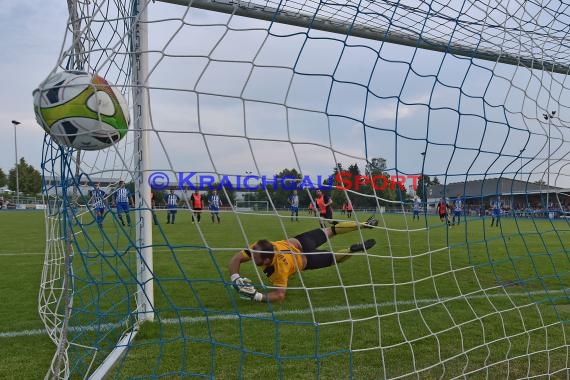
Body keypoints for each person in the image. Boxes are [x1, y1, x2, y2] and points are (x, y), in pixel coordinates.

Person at [228, 216, 378, 303]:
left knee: (334, 259)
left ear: (267, 261)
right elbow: (237, 259)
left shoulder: (278, 271)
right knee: (331, 230)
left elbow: (280, 295)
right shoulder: (261, 246)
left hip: (306, 260)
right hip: (301, 241)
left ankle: (351, 250)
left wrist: (256, 296)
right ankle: (364, 224)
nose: (251, 257)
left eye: (255, 257)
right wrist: (235, 278)